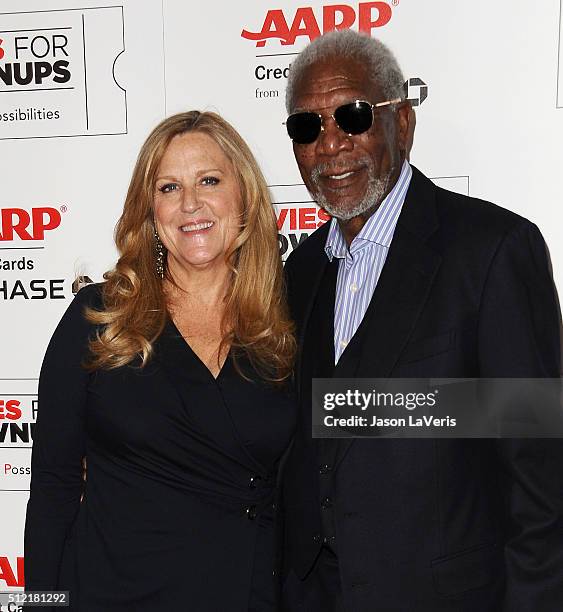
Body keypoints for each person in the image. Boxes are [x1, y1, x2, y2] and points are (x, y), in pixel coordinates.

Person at [280, 30, 563, 611]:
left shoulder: (492, 251)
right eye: (307, 127)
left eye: (352, 116)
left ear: (402, 123)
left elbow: (540, 481)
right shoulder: (301, 269)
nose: (330, 145)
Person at [24, 111, 296, 611]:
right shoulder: (99, 318)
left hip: (244, 594)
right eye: (169, 187)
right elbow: (52, 492)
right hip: (112, 596)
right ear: (149, 210)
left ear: (244, 198)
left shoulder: (285, 324)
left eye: (209, 181)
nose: (190, 203)